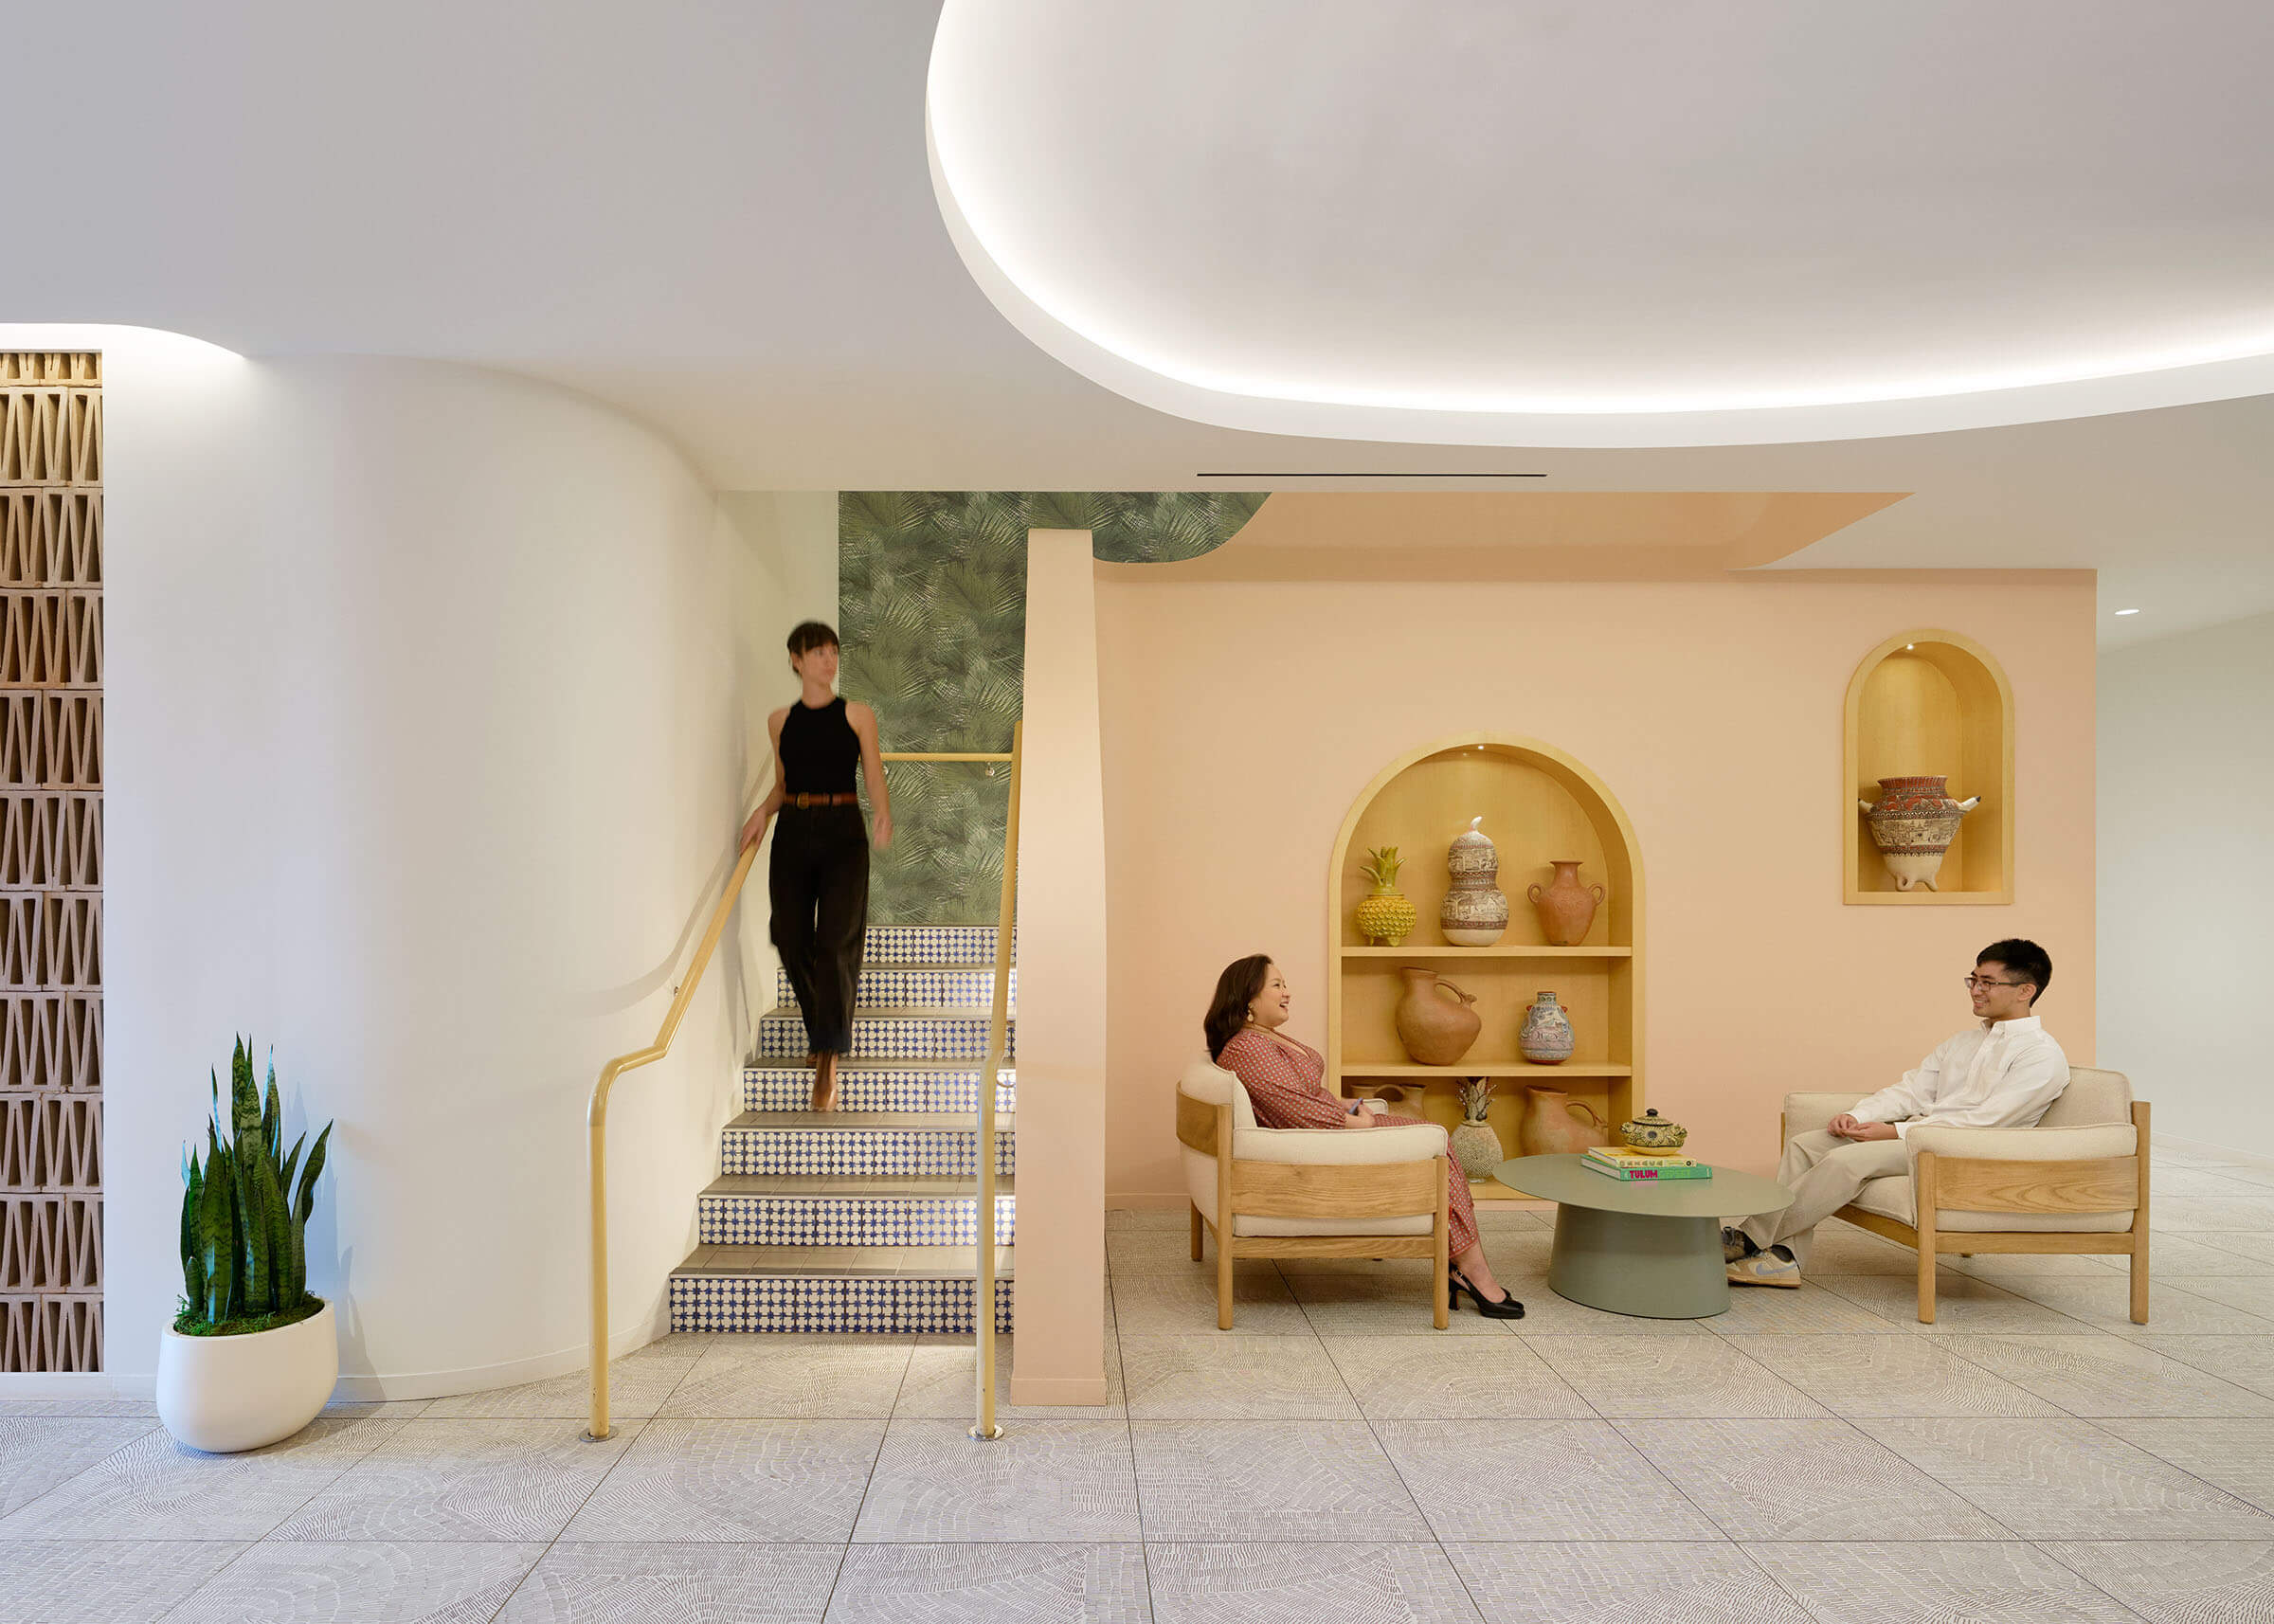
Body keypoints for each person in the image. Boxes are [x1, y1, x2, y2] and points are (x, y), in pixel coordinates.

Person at [1724, 937, 2069, 1288]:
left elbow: (1987, 1122)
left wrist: (1895, 1132)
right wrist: (1859, 1115)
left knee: (1847, 1161)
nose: (1976, 990)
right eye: (1974, 980)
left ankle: (1748, 1240)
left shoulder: (2040, 1055)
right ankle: (1784, 1260)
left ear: (2026, 990)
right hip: (1922, 1138)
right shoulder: (1964, 1042)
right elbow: (1913, 1090)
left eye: (1988, 983)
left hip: (1966, 1151)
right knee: (1807, 1144)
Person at [1205, 955, 1524, 1319]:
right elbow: (1296, 1112)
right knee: (1437, 1141)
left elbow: (1303, 1094)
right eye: (1277, 985)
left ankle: (1463, 1266)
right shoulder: (1247, 1049)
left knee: (1432, 1141)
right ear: (1248, 999)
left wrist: (1349, 1104)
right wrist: (1359, 1124)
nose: (1287, 993)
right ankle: (1472, 1270)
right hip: (1326, 1145)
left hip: (1334, 1132)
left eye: (1284, 984)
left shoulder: (1262, 1038)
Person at [741, 623, 893, 1111]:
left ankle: (827, 1056)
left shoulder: (857, 715)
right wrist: (762, 813)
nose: (829, 660)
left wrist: (884, 814)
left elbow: (872, 772)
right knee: (788, 933)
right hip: (794, 832)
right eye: (818, 652)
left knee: (834, 941)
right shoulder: (780, 722)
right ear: (796, 659)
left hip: (844, 832)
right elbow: (785, 784)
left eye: (833, 651)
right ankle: (821, 1027)